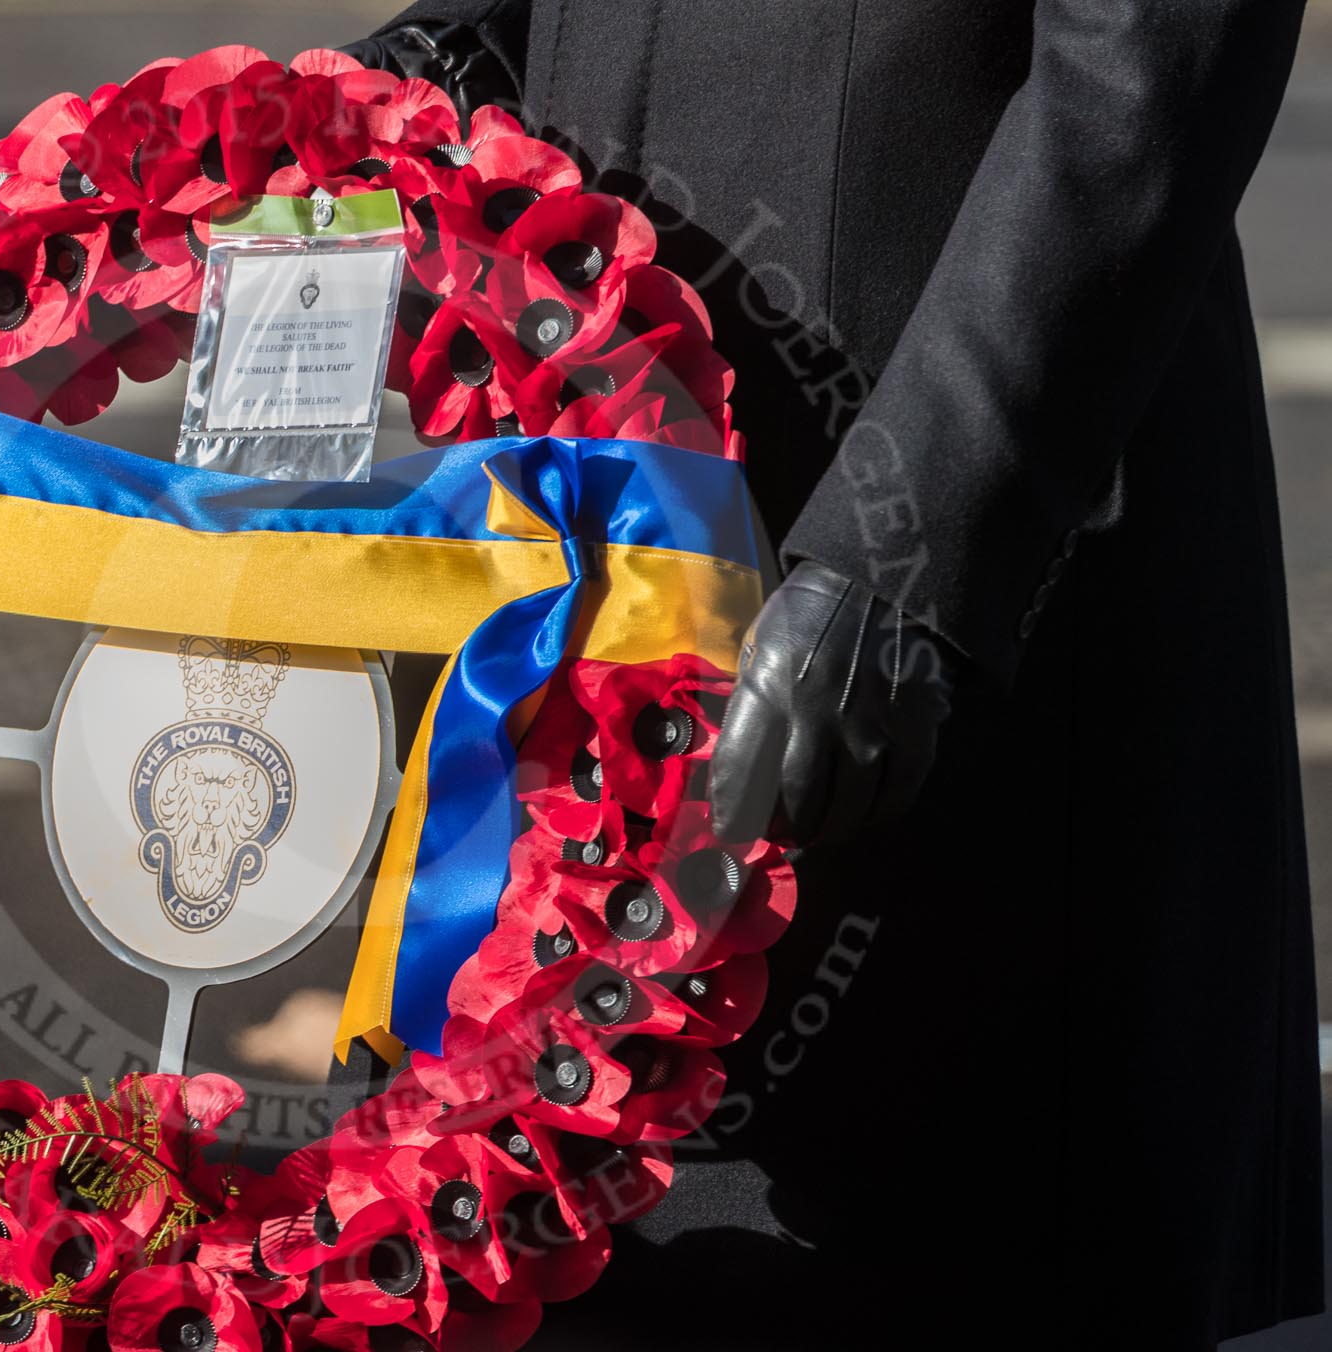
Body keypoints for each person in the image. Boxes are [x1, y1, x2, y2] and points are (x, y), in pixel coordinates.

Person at [341, 4, 1321, 1347]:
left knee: (942, 1244)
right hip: (605, 538)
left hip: (948, 510)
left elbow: (1148, 61)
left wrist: (909, 554)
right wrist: (420, 72)